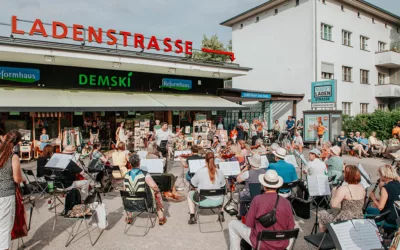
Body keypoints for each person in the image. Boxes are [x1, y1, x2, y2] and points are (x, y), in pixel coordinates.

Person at [229, 170, 295, 250]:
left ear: (264, 186)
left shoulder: (257, 200)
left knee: (232, 224)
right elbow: (291, 226)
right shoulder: (286, 202)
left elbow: (249, 224)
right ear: (277, 186)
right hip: (281, 243)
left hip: (260, 243)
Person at [318, 165, 365, 232]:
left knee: (321, 213)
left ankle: (324, 237)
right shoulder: (362, 187)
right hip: (359, 218)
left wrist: (334, 193)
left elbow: (333, 205)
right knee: (334, 213)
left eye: (344, 173)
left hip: (344, 220)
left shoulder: (344, 188)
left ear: (348, 176)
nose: (343, 174)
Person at [124, 154, 167, 225]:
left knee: (129, 194)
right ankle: (161, 218)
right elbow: (155, 187)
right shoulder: (144, 174)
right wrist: (159, 191)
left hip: (129, 204)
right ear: (139, 162)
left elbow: (125, 189)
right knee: (157, 193)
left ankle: (129, 218)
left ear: (130, 163)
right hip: (143, 204)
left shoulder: (126, 175)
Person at [0, 130, 23, 250]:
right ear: (16, 143)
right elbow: (17, 178)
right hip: (6, 195)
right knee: (4, 229)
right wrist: (22, 178)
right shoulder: (13, 157)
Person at [187, 152, 225, 224]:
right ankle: (222, 213)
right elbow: (223, 185)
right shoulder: (219, 171)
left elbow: (193, 184)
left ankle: (192, 216)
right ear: (214, 160)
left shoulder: (200, 171)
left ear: (205, 160)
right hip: (217, 201)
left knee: (189, 194)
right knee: (222, 192)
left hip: (203, 201)